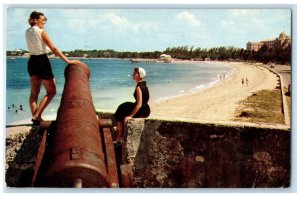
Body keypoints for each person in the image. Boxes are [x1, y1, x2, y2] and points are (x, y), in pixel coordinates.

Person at [25, 11, 80, 125]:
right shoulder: (41, 31)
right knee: (52, 91)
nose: (44, 22)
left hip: (32, 61)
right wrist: (68, 61)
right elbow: (54, 48)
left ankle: (36, 119)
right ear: (36, 20)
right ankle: (37, 115)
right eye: (43, 20)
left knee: (34, 94)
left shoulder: (27, 32)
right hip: (41, 61)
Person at [114, 67, 151, 144]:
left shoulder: (139, 87)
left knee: (121, 110)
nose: (132, 75)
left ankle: (119, 136)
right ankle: (119, 128)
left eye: (134, 73)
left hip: (141, 109)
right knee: (123, 106)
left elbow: (139, 104)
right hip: (146, 109)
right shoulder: (144, 84)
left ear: (139, 75)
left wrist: (130, 115)